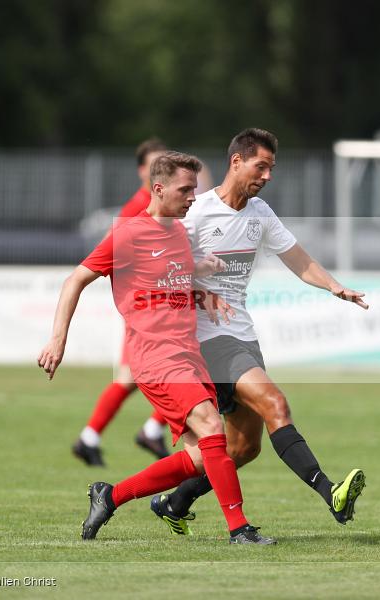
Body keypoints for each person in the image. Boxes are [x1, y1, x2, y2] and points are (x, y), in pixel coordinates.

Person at [38, 151, 274, 544]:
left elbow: (172, 273)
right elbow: (75, 280)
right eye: (185, 190)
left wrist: (203, 282)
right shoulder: (129, 233)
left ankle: (110, 496)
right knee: (212, 426)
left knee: (201, 457)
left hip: (189, 355)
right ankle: (239, 528)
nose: (192, 197)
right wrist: (57, 339)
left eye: (194, 189)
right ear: (159, 189)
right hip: (155, 357)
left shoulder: (178, 232)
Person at [150, 128, 368, 535]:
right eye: (261, 166)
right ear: (237, 162)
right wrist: (198, 289)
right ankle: (331, 494)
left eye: (271, 168)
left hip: (242, 338)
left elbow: (298, 259)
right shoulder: (196, 212)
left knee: (243, 448)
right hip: (209, 341)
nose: (267, 176)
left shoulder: (260, 213)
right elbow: (163, 268)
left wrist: (334, 286)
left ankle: (173, 502)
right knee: (275, 404)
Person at [72, 138, 172, 466]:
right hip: (146, 307)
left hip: (159, 304)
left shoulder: (162, 203)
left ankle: (92, 437)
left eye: (165, 164)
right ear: (142, 171)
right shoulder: (138, 207)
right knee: (186, 369)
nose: (161, 170)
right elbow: (107, 251)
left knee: (134, 377)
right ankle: (149, 431)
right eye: (154, 164)